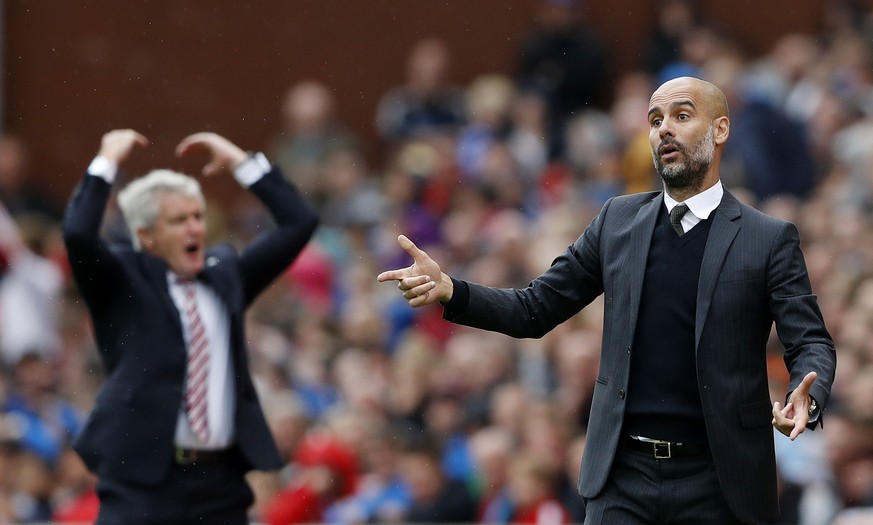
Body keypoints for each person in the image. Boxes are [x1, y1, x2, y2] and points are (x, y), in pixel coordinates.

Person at [378, 76, 837, 524]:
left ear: (720, 130)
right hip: (623, 479)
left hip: (721, 480)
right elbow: (535, 309)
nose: (665, 130)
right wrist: (453, 290)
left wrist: (808, 397)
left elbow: (811, 342)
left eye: (681, 115)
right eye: (656, 120)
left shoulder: (767, 238)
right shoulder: (617, 221)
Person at [62, 129, 319, 524]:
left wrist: (241, 162)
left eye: (197, 216)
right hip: (142, 482)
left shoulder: (224, 273)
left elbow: (298, 222)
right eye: (178, 220)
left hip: (219, 483)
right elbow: (79, 233)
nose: (195, 228)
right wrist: (106, 160)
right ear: (146, 237)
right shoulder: (122, 280)